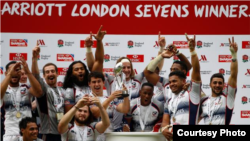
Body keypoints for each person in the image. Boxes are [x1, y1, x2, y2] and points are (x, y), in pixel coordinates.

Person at [160, 34, 201, 141]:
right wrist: (164, 128)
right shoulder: (169, 97)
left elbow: (195, 70)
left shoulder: (192, 92)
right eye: (170, 82)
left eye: (174, 81)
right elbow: (165, 118)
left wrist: (192, 50)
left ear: (183, 81)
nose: (171, 84)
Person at [0, 57, 42, 141]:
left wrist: (28, 72)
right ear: (6, 73)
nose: (14, 72)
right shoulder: (3, 89)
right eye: (12, 69)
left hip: (27, 133)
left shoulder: (26, 87)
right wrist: (10, 74)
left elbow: (39, 93)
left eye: (17, 70)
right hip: (10, 134)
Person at [199, 37, 238, 125]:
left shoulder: (228, 98)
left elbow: (234, 75)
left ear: (224, 85)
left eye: (220, 83)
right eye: (215, 83)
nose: (217, 85)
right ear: (210, 84)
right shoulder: (204, 100)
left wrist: (234, 55)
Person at [32, 44, 65, 141]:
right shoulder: (43, 89)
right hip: (48, 134)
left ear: (57, 73)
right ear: (44, 75)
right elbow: (35, 77)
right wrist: (34, 58)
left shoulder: (63, 91)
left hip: (64, 133)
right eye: (47, 72)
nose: (50, 73)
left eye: (52, 71)